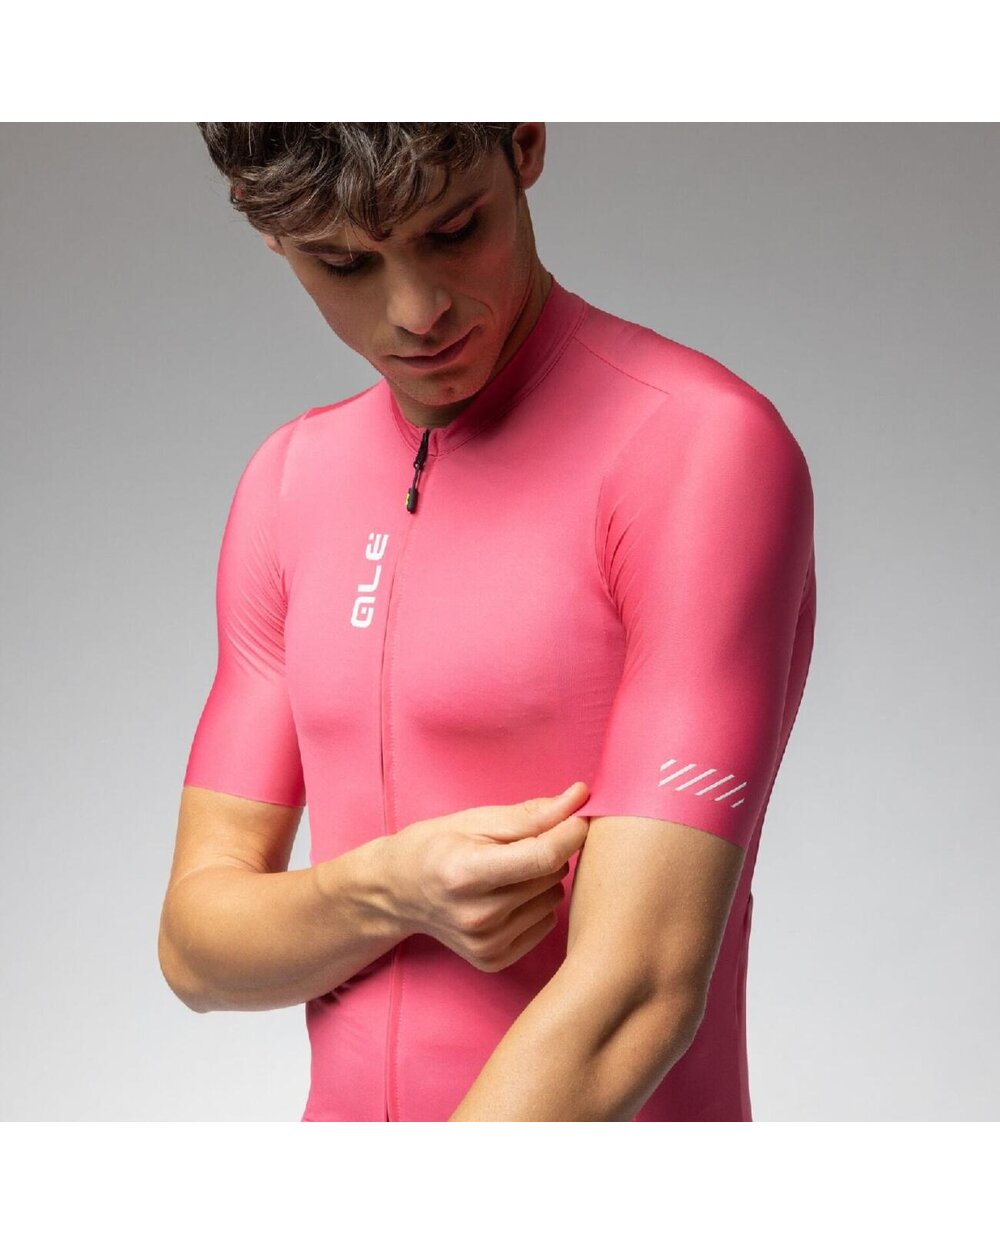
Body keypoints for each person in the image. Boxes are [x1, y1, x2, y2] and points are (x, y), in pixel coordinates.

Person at [158, 123, 817, 1122]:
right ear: (272, 235)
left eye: (455, 229)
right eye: (344, 263)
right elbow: (197, 950)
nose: (416, 311)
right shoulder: (290, 481)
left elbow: (636, 993)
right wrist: (389, 889)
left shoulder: (696, 449)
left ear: (524, 142)